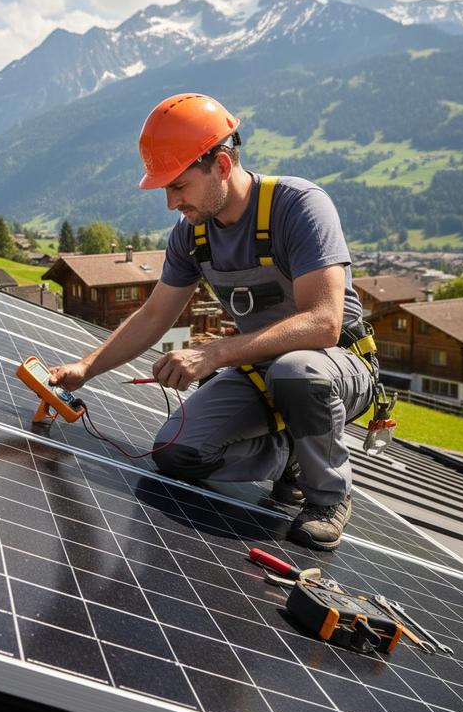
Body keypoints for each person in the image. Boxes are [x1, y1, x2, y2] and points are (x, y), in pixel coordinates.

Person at [49, 93, 378, 551]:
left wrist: (214, 354)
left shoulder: (298, 206)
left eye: (179, 186)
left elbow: (324, 323)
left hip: (334, 365)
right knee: (176, 452)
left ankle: (328, 497)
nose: (170, 203)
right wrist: (86, 368)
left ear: (221, 166)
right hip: (263, 366)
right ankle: (291, 456)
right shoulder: (191, 234)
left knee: (297, 372)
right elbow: (155, 315)